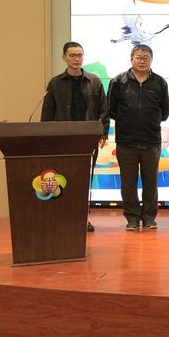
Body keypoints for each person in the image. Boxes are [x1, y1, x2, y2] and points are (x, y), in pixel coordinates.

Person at [41, 41, 110, 233]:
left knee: (84, 180)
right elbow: (47, 113)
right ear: (64, 57)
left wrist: (103, 132)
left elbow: (103, 109)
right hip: (63, 140)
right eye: (72, 55)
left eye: (79, 55)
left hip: (88, 139)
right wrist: (46, 138)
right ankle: (64, 217)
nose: (76, 59)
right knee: (63, 178)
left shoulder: (94, 81)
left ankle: (83, 218)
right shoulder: (55, 83)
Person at [107, 45, 169, 231]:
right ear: (131, 59)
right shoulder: (118, 81)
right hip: (126, 141)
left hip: (151, 141)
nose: (142, 61)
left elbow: (165, 112)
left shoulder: (159, 82)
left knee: (151, 182)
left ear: (151, 60)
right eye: (138, 57)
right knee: (128, 182)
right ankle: (132, 218)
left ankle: (149, 217)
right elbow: (111, 109)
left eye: (146, 58)